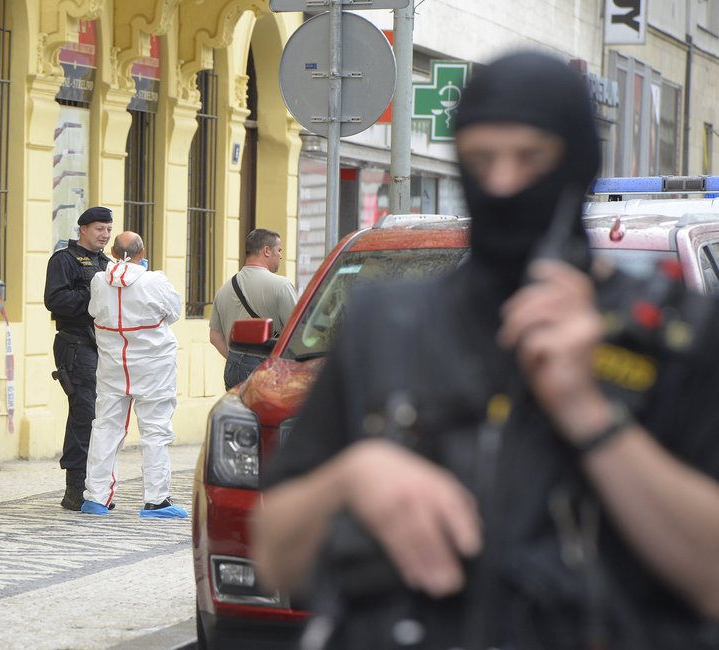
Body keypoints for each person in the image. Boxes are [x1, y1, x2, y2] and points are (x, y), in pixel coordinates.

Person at [250, 51, 719, 650]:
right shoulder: (387, 327)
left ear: (577, 163)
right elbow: (275, 558)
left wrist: (592, 417)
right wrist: (350, 476)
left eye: (530, 158)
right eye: (481, 158)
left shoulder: (674, 337)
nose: (501, 182)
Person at [79, 231, 187, 518]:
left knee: (105, 428)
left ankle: (96, 497)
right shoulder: (155, 281)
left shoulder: (99, 280)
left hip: (114, 365)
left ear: (114, 252)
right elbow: (174, 312)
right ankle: (156, 500)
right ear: (142, 253)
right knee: (155, 430)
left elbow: (93, 311)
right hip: (153, 367)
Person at [44, 206, 112, 510]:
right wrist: (93, 295)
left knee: (102, 416)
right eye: (99, 229)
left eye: (109, 230)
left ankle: (95, 487)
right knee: (84, 413)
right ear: (83, 229)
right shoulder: (65, 260)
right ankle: (75, 488)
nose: (105, 235)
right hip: (75, 344)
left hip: (102, 347)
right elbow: (55, 300)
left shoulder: (107, 263)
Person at [209, 228, 298, 390]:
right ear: (266, 250)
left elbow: (214, 337)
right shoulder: (281, 286)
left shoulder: (223, 290)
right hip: (265, 370)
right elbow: (298, 334)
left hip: (233, 369)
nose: (281, 256)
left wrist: (237, 359)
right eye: (279, 250)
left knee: (237, 414)